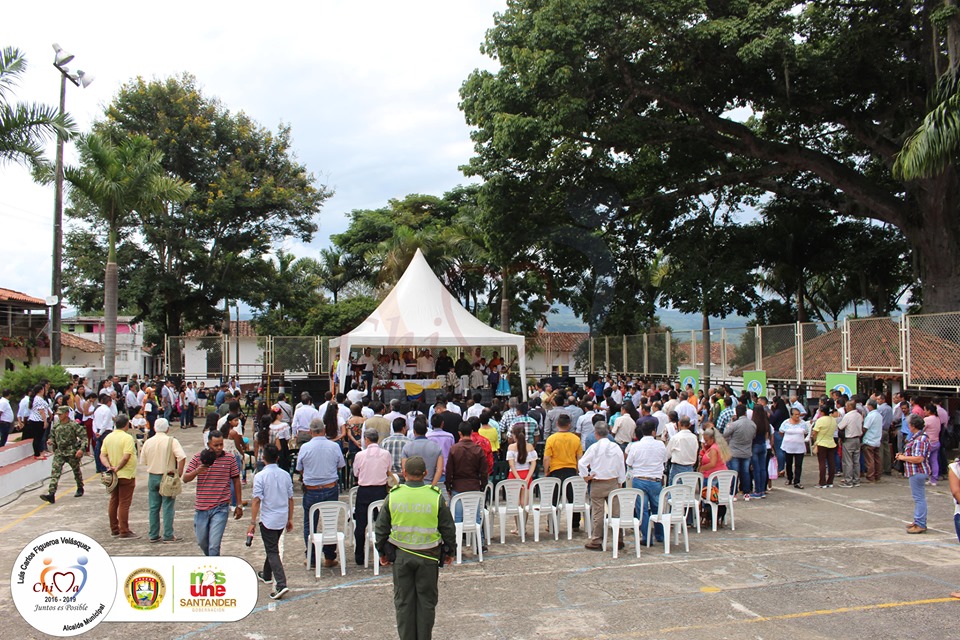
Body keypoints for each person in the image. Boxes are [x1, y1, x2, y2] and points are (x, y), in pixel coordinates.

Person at [375, 456, 457, 640]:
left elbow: (380, 529)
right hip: (428, 557)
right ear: (425, 474)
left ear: (404, 474)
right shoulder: (435, 496)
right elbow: (448, 528)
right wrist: (450, 551)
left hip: (402, 556)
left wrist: (382, 552)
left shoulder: (394, 495)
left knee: (404, 603)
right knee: (426, 603)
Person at [296, 417, 346, 568]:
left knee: (310, 523)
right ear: (324, 430)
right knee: (330, 522)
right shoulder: (334, 446)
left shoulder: (305, 448)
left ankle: (311, 557)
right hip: (330, 487)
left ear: (310, 432)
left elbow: (300, 468)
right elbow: (340, 465)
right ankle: (329, 556)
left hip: (312, 489)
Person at [183, 431, 243, 555]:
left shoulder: (229, 458)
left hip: (220, 507)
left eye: (221, 444)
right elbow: (185, 478)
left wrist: (239, 504)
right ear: (209, 444)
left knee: (214, 545)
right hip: (202, 508)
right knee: (202, 542)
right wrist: (197, 471)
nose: (219, 448)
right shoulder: (198, 458)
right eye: (216, 445)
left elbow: (236, 480)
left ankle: (213, 570)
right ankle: (212, 561)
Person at [249, 444, 294, 600]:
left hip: (268, 518)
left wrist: (252, 521)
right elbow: (290, 498)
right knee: (272, 545)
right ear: (277, 458)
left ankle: (281, 583)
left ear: (263, 458)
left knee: (272, 550)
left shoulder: (260, 476)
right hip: (281, 517)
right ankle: (266, 574)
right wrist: (290, 518)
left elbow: (256, 500)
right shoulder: (285, 475)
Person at [578, 423, 626, 550]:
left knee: (598, 513)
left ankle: (597, 540)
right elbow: (622, 465)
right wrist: (620, 481)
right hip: (613, 482)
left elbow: (582, 463)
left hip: (598, 482)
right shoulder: (616, 447)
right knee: (616, 512)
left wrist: (586, 476)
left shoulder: (594, 447)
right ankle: (618, 539)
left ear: (596, 433)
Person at [138, 418, 186, 543]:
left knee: (153, 507)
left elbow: (143, 461)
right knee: (168, 506)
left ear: (154, 428)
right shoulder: (171, 441)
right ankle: (168, 534)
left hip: (153, 475)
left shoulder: (148, 442)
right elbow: (181, 457)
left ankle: (153, 534)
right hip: (168, 475)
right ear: (167, 429)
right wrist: (179, 473)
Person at [353, 429, 393, 565]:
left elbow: (356, 473)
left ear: (367, 440)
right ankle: (385, 553)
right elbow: (388, 469)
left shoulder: (360, 455)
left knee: (360, 524)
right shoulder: (385, 454)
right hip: (380, 491)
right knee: (384, 523)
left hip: (364, 491)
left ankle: (359, 555)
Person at [446, 422, 489, 544]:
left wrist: (448, 487)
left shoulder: (454, 449)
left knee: (457, 519)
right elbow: (484, 472)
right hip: (474, 487)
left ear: (459, 433)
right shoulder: (478, 449)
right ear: (471, 432)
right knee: (476, 518)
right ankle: (479, 543)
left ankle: (456, 544)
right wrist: (482, 486)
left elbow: (449, 471)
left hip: (458, 488)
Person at [625, 421, 666, 545]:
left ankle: (646, 537)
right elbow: (664, 459)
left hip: (640, 479)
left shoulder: (635, 446)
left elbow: (629, 462)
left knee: (642, 510)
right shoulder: (660, 445)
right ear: (654, 431)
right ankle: (660, 535)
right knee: (657, 508)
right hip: (655, 480)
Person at [100, 414, 139, 538]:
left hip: (113, 475)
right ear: (126, 424)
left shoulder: (108, 437)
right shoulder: (127, 438)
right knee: (124, 503)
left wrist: (109, 467)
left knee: (114, 500)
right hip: (125, 474)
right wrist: (118, 467)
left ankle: (114, 528)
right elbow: (126, 456)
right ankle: (124, 529)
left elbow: (103, 455)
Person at [544, 413, 584, 530]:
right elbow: (579, 457)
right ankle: (575, 523)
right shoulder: (576, 439)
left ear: (557, 424)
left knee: (554, 498)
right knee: (573, 498)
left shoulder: (551, 439)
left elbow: (547, 457)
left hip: (556, 470)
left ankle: (552, 523)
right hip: (571, 470)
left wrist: (547, 471)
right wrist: (578, 470)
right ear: (569, 425)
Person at [39, 406, 87, 504]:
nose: (59, 416)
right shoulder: (56, 426)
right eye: (58, 414)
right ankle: (51, 494)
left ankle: (80, 487)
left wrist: (81, 450)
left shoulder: (74, 425)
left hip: (72, 451)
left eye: (61, 414)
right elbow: (52, 436)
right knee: (55, 473)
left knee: (76, 471)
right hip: (60, 452)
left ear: (66, 414)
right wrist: (51, 441)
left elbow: (84, 438)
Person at [896, 414, 931, 534]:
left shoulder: (920, 439)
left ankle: (920, 523)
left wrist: (903, 458)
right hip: (914, 471)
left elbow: (919, 458)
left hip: (918, 471)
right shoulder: (917, 437)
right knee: (918, 497)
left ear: (913, 426)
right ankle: (918, 520)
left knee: (919, 498)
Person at [722, 404, 756, 498]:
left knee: (734, 472)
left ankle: (733, 492)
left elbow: (725, 434)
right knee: (745, 472)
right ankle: (746, 492)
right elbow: (753, 436)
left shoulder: (734, 424)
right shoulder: (752, 424)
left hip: (735, 451)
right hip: (747, 451)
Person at [700, 427, 732, 527]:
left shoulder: (713, 449)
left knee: (707, 496)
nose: (705, 442)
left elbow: (712, 463)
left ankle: (708, 516)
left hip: (712, 476)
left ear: (712, 439)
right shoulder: (718, 447)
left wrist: (701, 468)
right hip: (722, 475)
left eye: (706, 440)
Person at [402, 417, 444, 487]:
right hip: (429, 483)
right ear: (426, 430)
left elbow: (404, 469)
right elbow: (439, 469)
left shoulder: (407, 447)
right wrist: (432, 486)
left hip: (411, 485)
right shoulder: (436, 447)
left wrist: (408, 483)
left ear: (414, 431)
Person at [779, 408, 810, 489]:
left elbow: (805, 432)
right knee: (788, 463)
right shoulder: (786, 423)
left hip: (799, 447)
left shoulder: (803, 423)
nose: (797, 416)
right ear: (791, 415)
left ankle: (797, 481)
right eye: (795, 414)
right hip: (788, 446)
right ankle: (789, 478)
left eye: (798, 414)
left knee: (798, 464)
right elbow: (781, 432)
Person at [812, 401, 839, 489]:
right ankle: (830, 481)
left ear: (822, 412)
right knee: (831, 462)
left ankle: (822, 482)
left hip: (821, 443)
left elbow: (815, 432)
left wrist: (815, 440)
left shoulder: (820, 420)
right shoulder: (833, 420)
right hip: (831, 441)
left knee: (822, 463)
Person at [665, 415, 699, 485]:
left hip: (677, 467)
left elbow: (667, 454)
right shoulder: (694, 438)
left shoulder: (675, 438)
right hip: (689, 467)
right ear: (689, 425)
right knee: (688, 492)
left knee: (673, 491)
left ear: (679, 424)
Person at [838, 400, 864, 487]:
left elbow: (840, 426)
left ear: (849, 407)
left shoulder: (847, 416)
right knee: (856, 461)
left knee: (848, 461)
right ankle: (856, 480)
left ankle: (848, 481)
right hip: (857, 439)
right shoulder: (859, 415)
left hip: (849, 439)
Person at [862, 399, 883, 483]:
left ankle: (870, 476)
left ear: (870, 406)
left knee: (869, 460)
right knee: (877, 459)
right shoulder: (879, 415)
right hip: (877, 439)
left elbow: (865, 428)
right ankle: (878, 475)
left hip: (869, 440)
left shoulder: (870, 416)